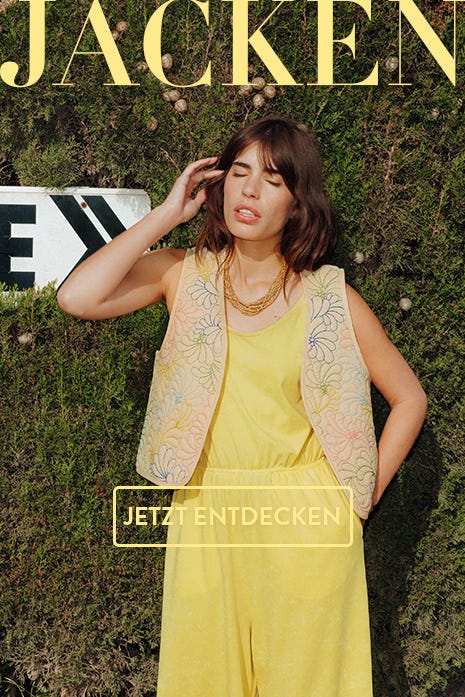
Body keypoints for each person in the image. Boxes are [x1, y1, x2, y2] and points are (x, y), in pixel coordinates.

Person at [57, 115, 427, 697]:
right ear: (219, 183)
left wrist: (359, 497)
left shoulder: (330, 297)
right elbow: (77, 297)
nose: (250, 190)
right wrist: (166, 215)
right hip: (204, 512)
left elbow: (409, 397)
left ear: (297, 204)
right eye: (239, 172)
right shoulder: (181, 275)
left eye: (273, 180)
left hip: (307, 522)